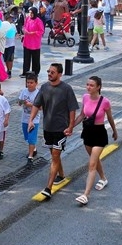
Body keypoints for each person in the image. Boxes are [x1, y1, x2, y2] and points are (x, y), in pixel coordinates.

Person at [64, 76, 117, 206]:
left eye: (91, 85)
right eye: (87, 84)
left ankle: (85, 195)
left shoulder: (105, 102)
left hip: (99, 134)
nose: (88, 87)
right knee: (95, 159)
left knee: (92, 164)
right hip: (87, 133)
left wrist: (114, 131)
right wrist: (71, 127)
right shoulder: (85, 97)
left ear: (98, 87)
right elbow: (82, 115)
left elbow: (110, 118)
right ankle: (103, 178)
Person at [29, 62, 78, 200]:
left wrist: (71, 126)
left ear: (59, 74)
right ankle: (61, 175)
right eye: (48, 71)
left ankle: (48, 188)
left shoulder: (67, 89)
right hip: (47, 128)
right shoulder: (44, 87)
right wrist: (31, 120)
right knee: (54, 154)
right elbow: (36, 104)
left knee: (55, 155)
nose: (49, 74)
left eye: (52, 72)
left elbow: (72, 109)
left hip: (61, 129)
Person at [18, 73, 41, 162]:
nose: (29, 84)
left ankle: (30, 156)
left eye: (31, 83)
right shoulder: (24, 91)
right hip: (25, 118)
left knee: (31, 138)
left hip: (34, 119)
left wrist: (30, 105)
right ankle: (34, 149)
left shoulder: (38, 94)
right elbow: (19, 102)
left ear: (36, 83)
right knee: (27, 137)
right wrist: (22, 102)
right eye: (28, 82)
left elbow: (41, 107)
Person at [21, 7, 44, 76]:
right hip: (27, 41)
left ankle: (35, 72)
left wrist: (33, 33)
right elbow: (24, 26)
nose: (30, 14)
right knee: (26, 58)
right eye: (29, 12)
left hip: (35, 43)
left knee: (35, 59)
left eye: (32, 13)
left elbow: (41, 31)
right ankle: (25, 72)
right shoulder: (28, 18)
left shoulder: (38, 21)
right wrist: (24, 30)